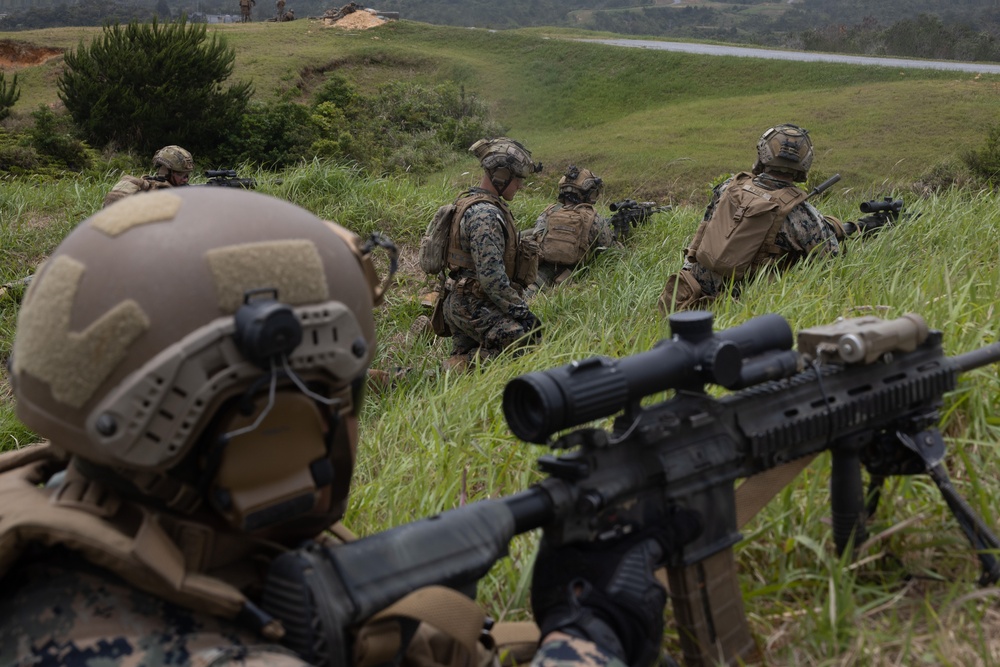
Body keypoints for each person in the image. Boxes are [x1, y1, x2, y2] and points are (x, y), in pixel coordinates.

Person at [0, 187, 673, 667]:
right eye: (342, 398)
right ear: (273, 427)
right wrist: (593, 634)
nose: (352, 424)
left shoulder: (34, 507)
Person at [657, 123, 847, 313]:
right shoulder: (802, 213)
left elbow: (701, 232)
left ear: (763, 154)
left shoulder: (728, 187)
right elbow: (831, 261)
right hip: (737, 309)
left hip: (689, 294)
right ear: (804, 164)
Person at [440, 137, 544, 372]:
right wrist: (522, 312)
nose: (520, 185)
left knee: (468, 373)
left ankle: (396, 380)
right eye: (517, 178)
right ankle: (405, 377)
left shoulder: (471, 203)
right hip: (474, 304)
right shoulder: (485, 215)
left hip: (463, 300)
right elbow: (491, 278)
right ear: (500, 175)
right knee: (527, 345)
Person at [522, 165, 615, 296]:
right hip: (574, 271)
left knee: (528, 293)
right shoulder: (592, 217)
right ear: (588, 193)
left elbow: (537, 237)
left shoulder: (549, 212)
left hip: (543, 268)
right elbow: (608, 249)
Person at [102, 144, 194, 208]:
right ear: (166, 172)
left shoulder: (179, 192)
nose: (185, 180)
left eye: (187, 175)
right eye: (180, 174)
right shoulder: (142, 187)